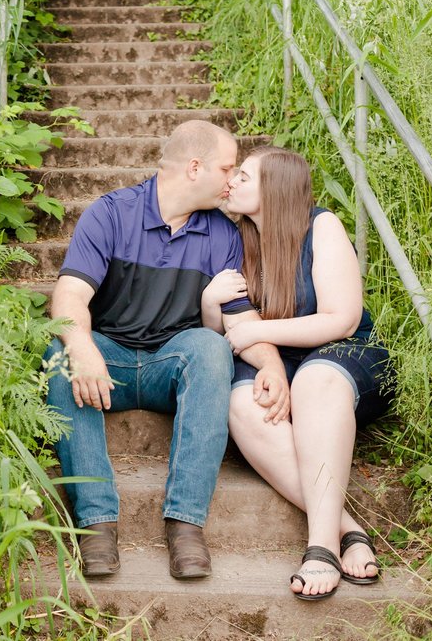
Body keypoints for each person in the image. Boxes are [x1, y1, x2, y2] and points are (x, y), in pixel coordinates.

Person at [43, 120, 290, 579]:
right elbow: (69, 296)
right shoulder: (111, 214)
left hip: (168, 365)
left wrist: (272, 362)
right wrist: (81, 345)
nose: (232, 179)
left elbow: (238, 320)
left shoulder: (222, 234)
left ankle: (185, 524)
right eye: (226, 168)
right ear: (195, 168)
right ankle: (96, 522)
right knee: (58, 352)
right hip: (108, 361)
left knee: (210, 347)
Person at [201, 146, 395, 600]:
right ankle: (348, 529)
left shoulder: (321, 226)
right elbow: (229, 332)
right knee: (240, 403)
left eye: (244, 176)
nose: (232, 183)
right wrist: (211, 305)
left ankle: (320, 546)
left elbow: (341, 318)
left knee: (315, 379)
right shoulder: (233, 239)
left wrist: (259, 332)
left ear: (275, 186)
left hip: (345, 355)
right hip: (277, 361)